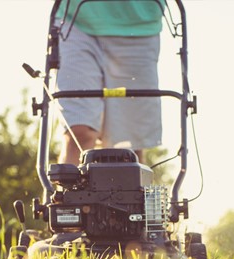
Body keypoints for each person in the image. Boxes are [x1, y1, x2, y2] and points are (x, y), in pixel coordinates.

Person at [55, 0, 164, 165]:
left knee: (127, 146)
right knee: (78, 132)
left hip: (139, 25)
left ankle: (130, 190)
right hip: (76, 17)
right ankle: (65, 190)